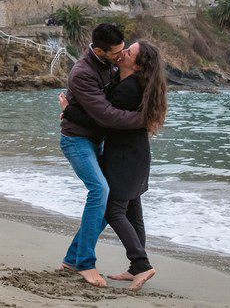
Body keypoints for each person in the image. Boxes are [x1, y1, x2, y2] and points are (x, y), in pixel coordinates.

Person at [61, 40, 167, 292]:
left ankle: (141, 265)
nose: (123, 53)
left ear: (138, 65)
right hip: (136, 155)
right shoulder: (130, 83)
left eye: (129, 52)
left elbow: (104, 121)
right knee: (132, 212)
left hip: (123, 158)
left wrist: (69, 112)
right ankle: (133, 268)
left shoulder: (127, 89)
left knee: (112, 211)